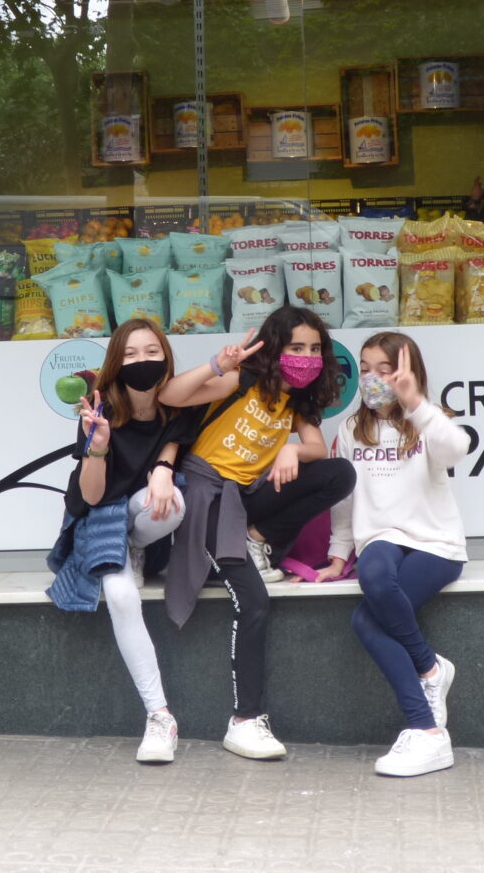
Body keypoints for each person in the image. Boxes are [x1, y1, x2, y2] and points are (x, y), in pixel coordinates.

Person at [158, 305, 356, 761]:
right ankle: (245, 721)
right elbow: (170, 395)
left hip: (248, 498)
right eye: (296, 347)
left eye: (315, 349)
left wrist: (292, 450)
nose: (306, 357)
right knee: (254, 602)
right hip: (208, 496)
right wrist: (217, 365)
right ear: (275, 348)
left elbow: (314, 446)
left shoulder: (296, 401)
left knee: (339, 473)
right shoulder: (241, 380)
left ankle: (255, 537)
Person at [321, 331, 470, 777]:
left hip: (435, 542)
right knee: (374, 576)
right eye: (366, 369)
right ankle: (429, 674)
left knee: (366, 621)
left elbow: (456, 449)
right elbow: (345, 499)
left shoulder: (429, 420)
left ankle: (425, 727)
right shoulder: (351, 429)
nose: (373, 379)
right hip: (380, 538)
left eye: (384, 371)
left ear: (407, 374)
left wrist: (415, 403)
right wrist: (337, 554)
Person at [44, 318, 190, 765]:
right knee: (122, 597)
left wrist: (164, 468)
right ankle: (160, 716)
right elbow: (91, 496)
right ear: (115, 362)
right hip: (100, 519)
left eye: (151, 351)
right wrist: (99, 444)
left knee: (173, 502)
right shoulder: (99, 408)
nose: (142, 361)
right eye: (130, 354)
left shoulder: (178, 406)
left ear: (165, 356)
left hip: (142, 518)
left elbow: (175, 441)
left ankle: (135, 548)